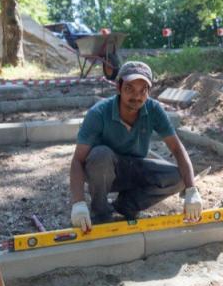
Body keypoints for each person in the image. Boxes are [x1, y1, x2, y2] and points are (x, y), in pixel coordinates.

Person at [69, 61, 201, 231]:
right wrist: (78, 203)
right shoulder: (99, 113)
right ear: (118, 87)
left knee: (182, 177)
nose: (136, 96)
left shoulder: (153, 110)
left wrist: (191, 190)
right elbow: (78, 160)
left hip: (135, 167)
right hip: (104, 172)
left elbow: (177, 149)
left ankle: (126, 205)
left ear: (149, 91)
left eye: (142, 90)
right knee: (100, 154)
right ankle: (100, 211)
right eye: (130, 89)